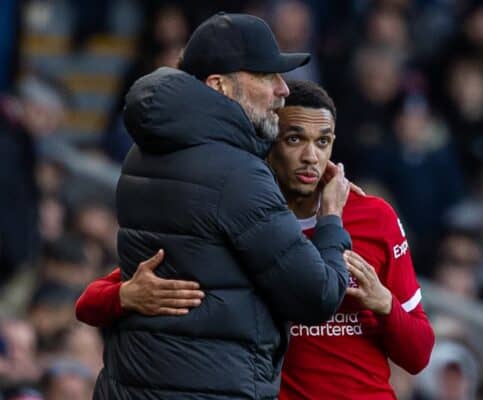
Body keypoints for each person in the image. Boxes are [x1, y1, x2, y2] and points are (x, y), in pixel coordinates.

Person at [77, 80, 434, 399]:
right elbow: (89, 303)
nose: (310, 156)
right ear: (269, 144)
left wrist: (385, 304)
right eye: (294, 139)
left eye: (322, 141)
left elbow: (418, 355)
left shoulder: (375, 218)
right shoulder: (240, 214)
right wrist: (125, 296)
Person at [92, 13, 353, 400]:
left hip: (132, 384)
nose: (283, 90)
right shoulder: (236, 174)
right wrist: (331, 217)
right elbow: (317, 295)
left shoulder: (141, 152)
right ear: (219, 86)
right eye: (266, 77)